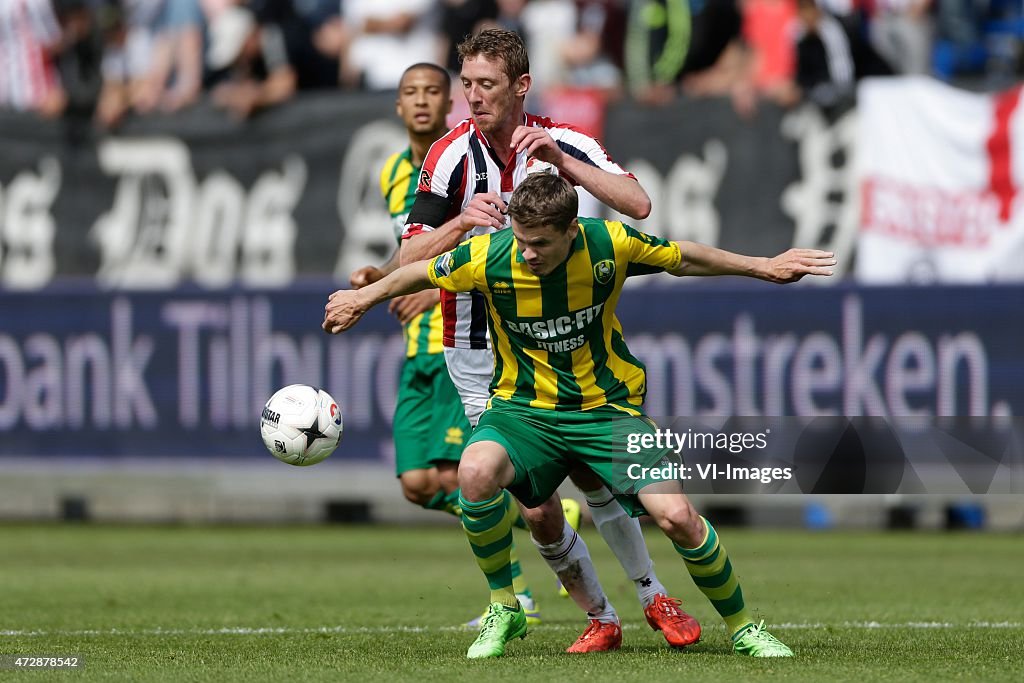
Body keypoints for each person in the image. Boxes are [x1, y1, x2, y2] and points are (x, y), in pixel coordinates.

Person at [324, 173, 836, 658]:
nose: (527, 253)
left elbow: (684, 258)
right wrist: (362, 298)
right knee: (475, 471)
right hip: (525, 412)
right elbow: (419, 271)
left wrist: (764, 266)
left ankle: (745, 628)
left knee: (678, 517)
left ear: (572, 229)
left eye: (540, 243)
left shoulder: (610, 244)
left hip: (606, 408)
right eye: (520, 239)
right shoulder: (488, 255)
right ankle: (506, 607)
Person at [399, 28, 698, 653]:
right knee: (532, 504)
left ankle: (653, 598)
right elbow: (409, 254)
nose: (473, 97)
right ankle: (599, 617)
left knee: (597, 478)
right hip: (478, 349)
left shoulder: (564, 142)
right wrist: (459, 222)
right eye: (468, 84)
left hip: (563, 338)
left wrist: (566, 165)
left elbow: (639, 204)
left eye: (487, 84)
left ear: (521, 85)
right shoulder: (448, 157)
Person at [348, 62, 541, 626]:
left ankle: (515, 592)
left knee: (470, 474)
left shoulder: (465, 163)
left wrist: (434, 295)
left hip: (461, 338)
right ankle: (542, 512)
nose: (423, 102)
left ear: (449, 101)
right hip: (416, 345)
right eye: (411, 92)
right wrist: (378, 278)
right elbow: (416, 252)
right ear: (398, 106)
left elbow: (488, 250)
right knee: (416, 483)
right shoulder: (391, 173)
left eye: (434, 91)